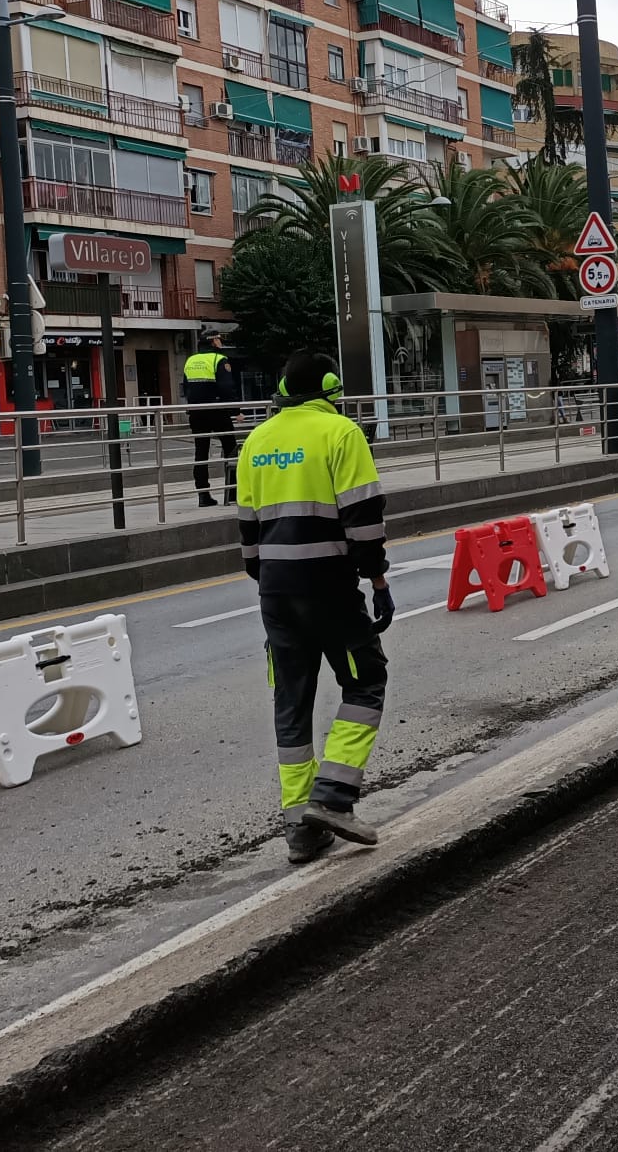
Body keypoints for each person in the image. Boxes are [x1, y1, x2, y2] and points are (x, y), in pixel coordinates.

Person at [235, 352, 394, 864]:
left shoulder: (257, 440)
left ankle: (299, 829)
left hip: (275, 593)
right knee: (366, 679)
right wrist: (377, 579)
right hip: (328, 585)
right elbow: (364, 518)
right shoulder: (341, 433)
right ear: (331, 389)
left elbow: (247, 529)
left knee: (291, 702)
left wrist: (270, 582)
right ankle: (333, 798)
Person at [183, 331, 240, 508]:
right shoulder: (219, 359)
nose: (220, 342)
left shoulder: (190, 360)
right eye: (218, 339)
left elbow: (186, 388)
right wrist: (235, 410)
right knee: (230, 450)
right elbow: (226, 387)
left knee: (201, 453)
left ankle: (203, 495)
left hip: (197, 412)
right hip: (218, 411)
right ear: (214, 342)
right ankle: (233, 492)